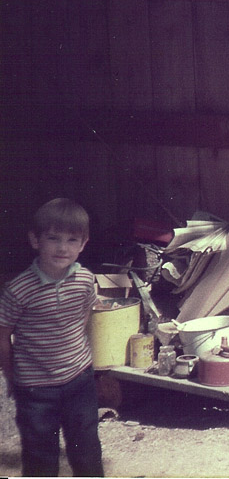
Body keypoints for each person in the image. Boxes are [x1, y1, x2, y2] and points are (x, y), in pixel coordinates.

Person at [0, 198, 104, 477]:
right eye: (53, 238)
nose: (62, 248)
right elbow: (3, 335)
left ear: (83, 244)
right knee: (40, 455)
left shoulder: (84, 280)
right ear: (35, 240)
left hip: (79, 380)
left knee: (87, 449)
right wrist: (11, 376)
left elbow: (83, 316)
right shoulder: (19, 289)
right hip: (36, 388)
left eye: (72, 240)